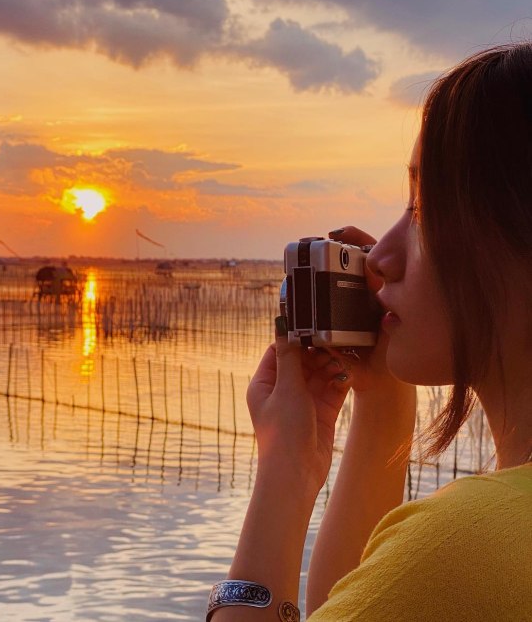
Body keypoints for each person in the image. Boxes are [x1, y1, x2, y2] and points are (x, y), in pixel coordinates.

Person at [207, 44, 532, 621]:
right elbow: (349, 603)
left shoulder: (465, 546)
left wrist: (285, 469)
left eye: (427, 208)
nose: (380, 255)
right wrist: (382, 406)